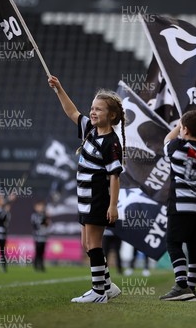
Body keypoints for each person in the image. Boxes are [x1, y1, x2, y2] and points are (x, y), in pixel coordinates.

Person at [49, 75, 124, 303]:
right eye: (92, 108)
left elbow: (114, 177)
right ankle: (108, 286)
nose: (93, 112)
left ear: (111, 115)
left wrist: (112, 205)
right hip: (84, 197)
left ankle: (98, 292)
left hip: (97, 198)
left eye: (98, 109)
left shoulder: (111, 143)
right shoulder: (90, 130)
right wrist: (59, 88)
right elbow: (72, 112)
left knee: (93, 244)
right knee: (86, 244)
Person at [159, 110, 196, 301]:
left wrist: (179, 125)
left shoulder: (177, 147)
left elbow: (166, 139)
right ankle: (191, 287)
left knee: (173, 243)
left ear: (185, 129)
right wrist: (187, 126)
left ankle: (181, 285)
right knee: (194, 246)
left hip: (180, 205)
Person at [31, 200, 51, 272]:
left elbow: (47, 224)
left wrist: (47, 220)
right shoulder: (34, 215)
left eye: (41, 207)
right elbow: (35, 225)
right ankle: (36, 265)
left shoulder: (44, 215)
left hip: (43, 236)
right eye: (39, 206)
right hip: (37, 236)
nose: (40, 208)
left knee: (42, 252)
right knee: (37, 251)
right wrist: (43, 221)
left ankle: (41, 265)